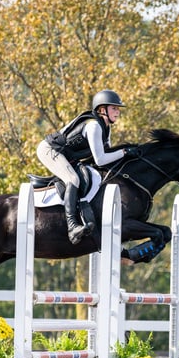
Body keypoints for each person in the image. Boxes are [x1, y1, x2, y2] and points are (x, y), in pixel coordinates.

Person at [37, 89, 139, 244]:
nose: (118, 112)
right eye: (114, 108)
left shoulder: (105, 128)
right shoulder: (94, 127)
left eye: (118, 109)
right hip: (49, 150)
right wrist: (124, 152)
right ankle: (72, 226)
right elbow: (100, 160)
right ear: (102, 109)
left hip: (67, 156)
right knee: (73, 179)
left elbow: (107, 155)